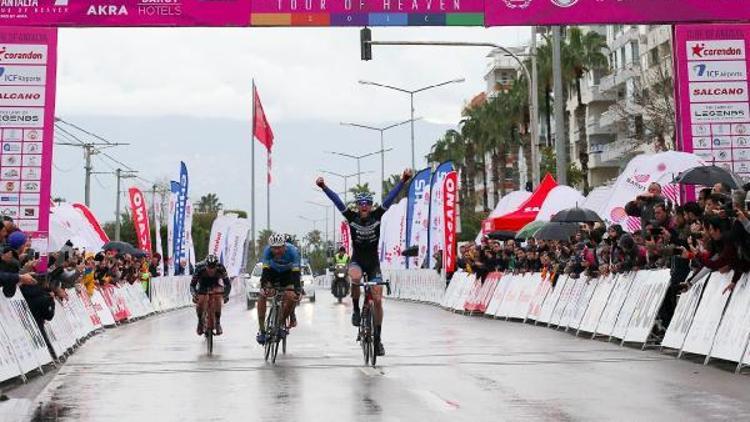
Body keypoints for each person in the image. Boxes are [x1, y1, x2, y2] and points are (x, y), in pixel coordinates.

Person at [316, 168, 412, 357]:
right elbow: (337, 201)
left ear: (371, 205)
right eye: (361, 204)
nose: (365, 206)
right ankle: (357, 310)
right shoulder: (351, 217)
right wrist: (324, 187)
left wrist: (403, 181)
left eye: (367, 203)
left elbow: (391, 197)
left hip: (374, 263)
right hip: (357, 261)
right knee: (356, 277)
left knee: (377, 299)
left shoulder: (377, 215)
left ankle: (378, 340)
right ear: (358, 206)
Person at [256, 233, 302, 345]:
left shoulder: (293, 252)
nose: (276, 251)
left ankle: (281, 324)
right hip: (272, 273)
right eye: (274, 248)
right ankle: (262, 330)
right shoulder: (267, 251)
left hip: (288, 274)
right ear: (270, 247)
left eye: (279, 248)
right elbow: (265, 271)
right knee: (262, 295)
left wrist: (297, 289)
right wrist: (264, 286)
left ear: (284, 246)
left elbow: (296, 273)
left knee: (291, 296)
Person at [190, 254, 231, 336]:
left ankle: (218, 322)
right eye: (209, 267)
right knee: (200, 300)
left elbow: (228, 284)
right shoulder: (199, 269)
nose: (211, 270)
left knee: (218, 297)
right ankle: (200, 322)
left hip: (215, 284)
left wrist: (225, 295)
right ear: (205, 266)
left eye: (213, 267)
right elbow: (192, 285)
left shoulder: (221, 268)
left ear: (217, 266)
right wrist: (194, 295)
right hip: (203, 284)